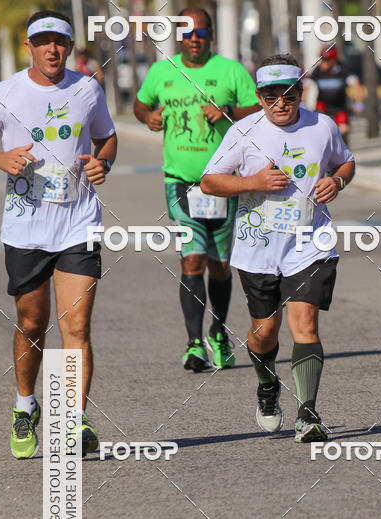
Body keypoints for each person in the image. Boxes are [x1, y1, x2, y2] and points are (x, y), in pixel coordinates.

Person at [0, 10, 117, 459]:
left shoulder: (87, 89)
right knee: (32, 323)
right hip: (25, 228)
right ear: (29, 45)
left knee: (77, 326)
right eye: (44, 41)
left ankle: (73, 419)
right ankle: (25, 406)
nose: (52, 49)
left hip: (78, 223)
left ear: (69, 47)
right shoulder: (7, 93)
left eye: (60, 42)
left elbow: (107, 138)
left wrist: (103, 162)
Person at [200, 54, 355, 443]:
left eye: (288, 95)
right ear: (259, 96)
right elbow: (209, 182)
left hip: (310, 242)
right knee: (264, 332)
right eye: (270, 96)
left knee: (305, 324)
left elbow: (347, 162)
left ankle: (308, 414)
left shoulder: (322, 126)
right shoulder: (243, 131)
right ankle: (267, 387)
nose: (280, 103)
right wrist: (252, 182)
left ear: (301, 93)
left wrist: (337, 182)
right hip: (259, 248)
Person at [134, 6, 259, 372]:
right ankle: (194, 345)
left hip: (223, 182)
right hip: (180, 183)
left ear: (211, 36)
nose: (193, 40)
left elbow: (257, 111)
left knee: (220, 266)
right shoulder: (162, 71)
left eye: (200, 34)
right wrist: (149, 117)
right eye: (186, 33)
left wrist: (228, 111)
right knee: (192, 258)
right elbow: (142, 105)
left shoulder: (230, 71)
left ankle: (218, 332)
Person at [309, 47, 365, 144]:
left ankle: (345, 153)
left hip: (340, 107)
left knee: (344, 130)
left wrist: (359, 103)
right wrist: (304, 104)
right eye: (322, 59)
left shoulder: (343, 70)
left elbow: (356, 85)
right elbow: (306, 86)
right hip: (323, 106)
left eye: (326, 60)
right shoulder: (317, 71)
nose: (323, 62)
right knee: (320, 130)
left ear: (334, 60)